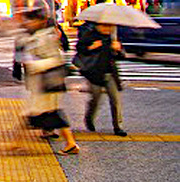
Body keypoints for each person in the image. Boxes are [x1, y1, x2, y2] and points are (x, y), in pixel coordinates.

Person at [17, 8, 78, 155]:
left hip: (49, 81)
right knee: (41, 112)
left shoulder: (47, 37)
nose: (28, 22)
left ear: (40, 21)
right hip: (44, 81)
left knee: (38, 112)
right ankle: (16, 143)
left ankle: (71, 143)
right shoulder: (37, 36)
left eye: (31, 20)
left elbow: (56, 59)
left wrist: (35, 65)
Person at [75, 18, 125, 136]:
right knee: (95, 99)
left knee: (115, 99)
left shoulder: (113, 38)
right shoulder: (89, 35)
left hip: (110, 72)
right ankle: (89, 118)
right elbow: (80, 49)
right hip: (94, 73)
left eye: (110, 26)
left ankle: (118, 126)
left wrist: (118, 50)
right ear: (98, 25)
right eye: (105, 26)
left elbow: (121, 56)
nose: (108, 29)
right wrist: (91, 47)